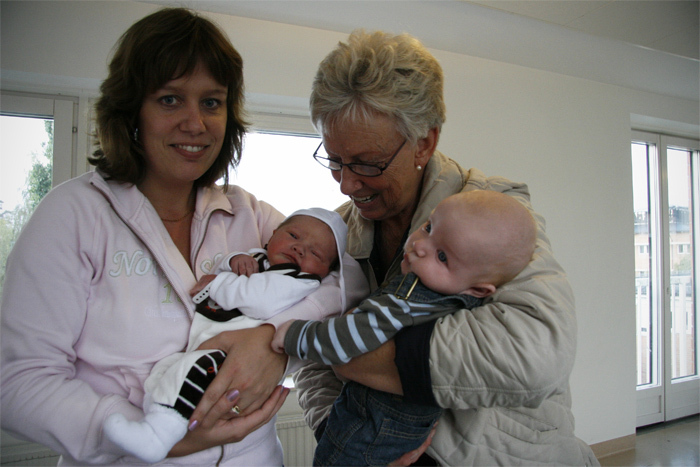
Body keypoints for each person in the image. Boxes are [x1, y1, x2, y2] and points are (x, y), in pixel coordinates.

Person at [0, 9, 367, 466]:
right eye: (170, 99)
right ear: (131, 109)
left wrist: (275, 340)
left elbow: (343, 283)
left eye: (211, 102)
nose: (195, 123)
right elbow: (18, 383)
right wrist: (153, 436)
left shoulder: (249, 213)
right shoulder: (73, 215)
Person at [294, 29, 600, 466]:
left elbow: (536, 349)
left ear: (424, 142)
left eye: (367, 163)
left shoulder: (495, 210)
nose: (346, 183)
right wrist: (345, 438)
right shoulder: (335, 230)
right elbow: (310, 360)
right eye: (335, 160)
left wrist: (348, 353)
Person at [272, 191, 537, 466]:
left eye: (442, 256)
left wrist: (295, 335)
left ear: (479, 289)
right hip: (408, 426)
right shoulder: (459, 295)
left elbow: (350, 338)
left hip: (371, 427)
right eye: (429, 228)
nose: (420, 246)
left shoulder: (410, 298)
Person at [103, 208, 349, 463]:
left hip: (229, 357)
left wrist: (215, 284)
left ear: (326, 271)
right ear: (273, 233)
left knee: (190, 374)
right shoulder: (258, 257)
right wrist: (233, 260)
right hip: (205, 342)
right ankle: (153, 420)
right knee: (165, 371)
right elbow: (224, 265)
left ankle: (159, 435)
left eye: (315, 253)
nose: (300, 249)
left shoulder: (300, 280)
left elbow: (257, 301)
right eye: (294, 236)